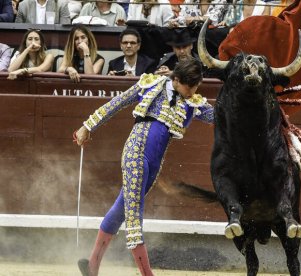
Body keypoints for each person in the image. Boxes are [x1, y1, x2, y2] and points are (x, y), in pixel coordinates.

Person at [75, 57, 214, 276]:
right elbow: (118, 102)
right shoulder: (151, 83)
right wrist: (87, 126)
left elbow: (217, 117)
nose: (194, 90)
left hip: (154, 162)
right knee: (134, 215)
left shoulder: (192, 101)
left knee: (121, 210)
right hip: (136, 152)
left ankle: (92, 266)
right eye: (191, 86)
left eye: (197, 86)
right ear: (176, 79)